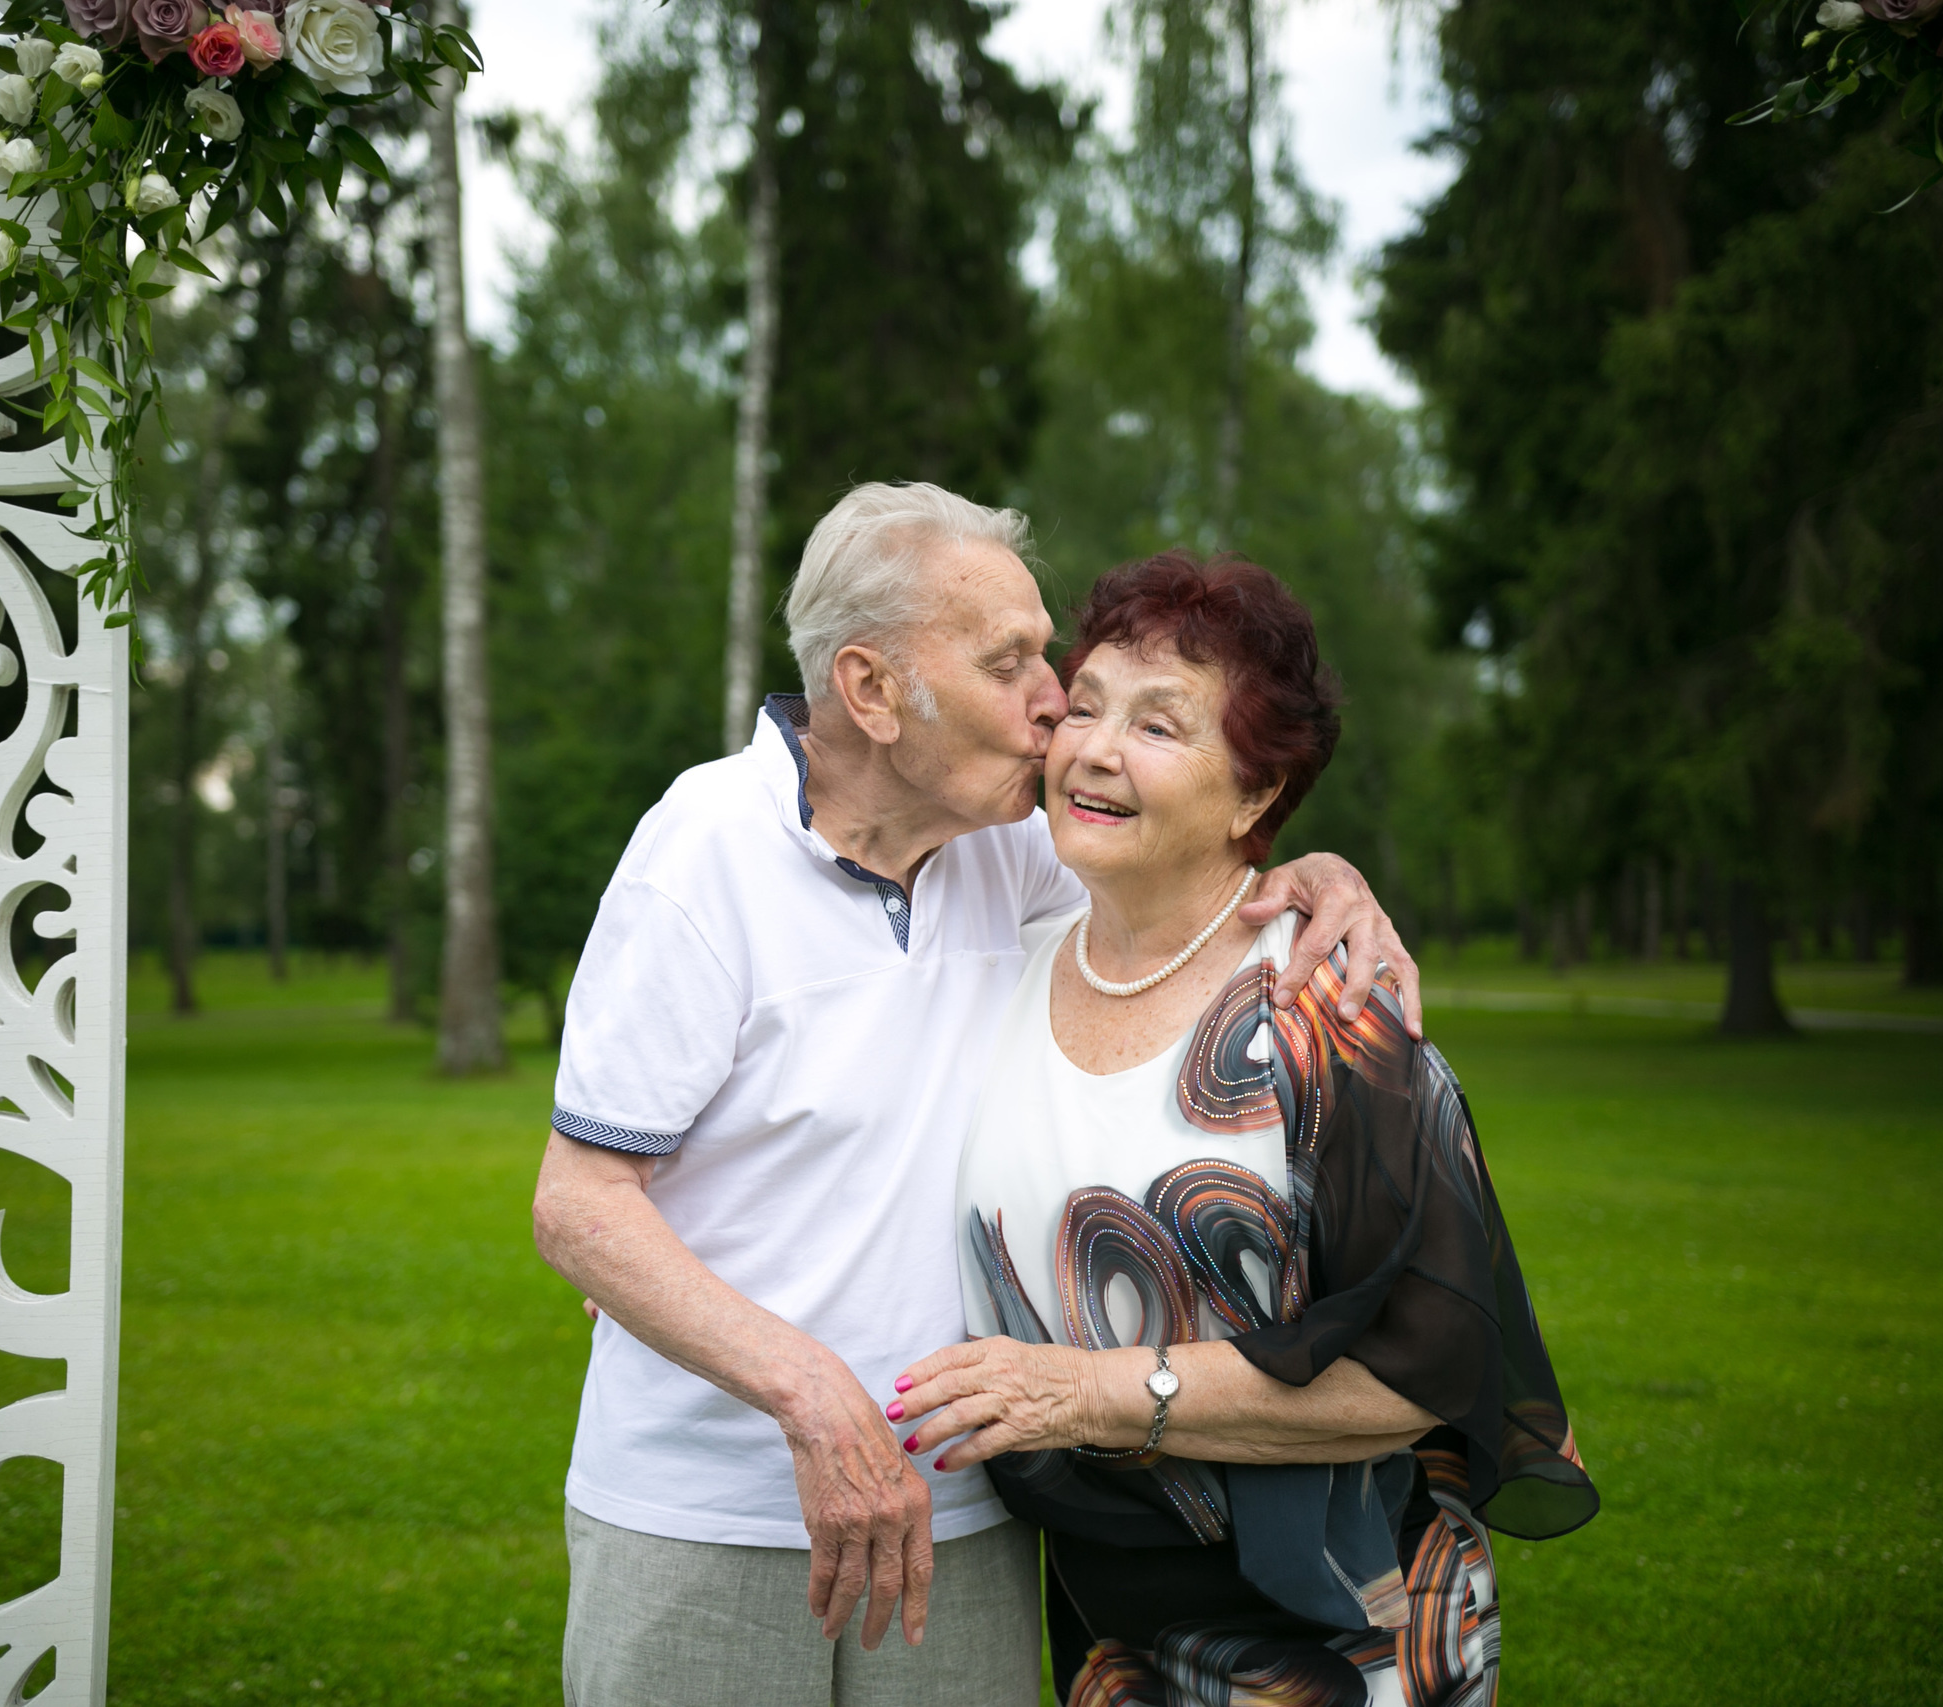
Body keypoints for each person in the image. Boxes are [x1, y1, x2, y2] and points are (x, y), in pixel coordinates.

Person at [531, 484, 1429, 1707]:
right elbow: (580, 1206)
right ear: (870, 691)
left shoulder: (1015, 847)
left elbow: (1190, 870)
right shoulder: (701, 853)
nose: (1054, 698)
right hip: (708, 1511)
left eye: (1044, 652)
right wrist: (810, 1395)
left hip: (970, 1506)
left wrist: (1317, 871)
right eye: (1009, 662)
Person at [892, 553, 1597, 1706]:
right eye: (1084, 708)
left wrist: (1083, 1394)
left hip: (1349, 1633)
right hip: (1105, 1636)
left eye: (1160, 726)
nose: (1096, 750)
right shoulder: (998, 972)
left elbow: (1426, 1370)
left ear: (1255, 797)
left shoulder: (1325, 1015)